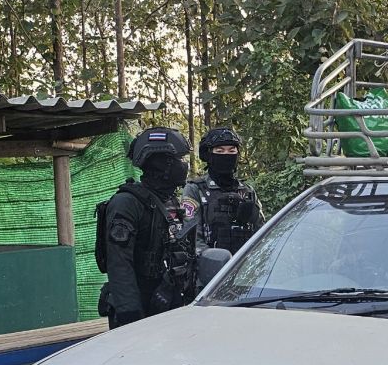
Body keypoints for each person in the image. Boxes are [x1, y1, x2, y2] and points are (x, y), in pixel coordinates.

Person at [96, 127, 191, 328]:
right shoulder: (127, 203)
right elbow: (119, 263)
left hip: (167, 303)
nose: (183, 165)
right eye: (178, 159)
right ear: (160, 163)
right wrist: (130, 314)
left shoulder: (169, 200)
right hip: (138, 307)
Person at [181, 127, 264, 254]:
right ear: (209, 155)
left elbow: (262, 233)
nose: (226, 155)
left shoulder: (247, 191)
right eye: (220, 151)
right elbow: (192, 238)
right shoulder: (195, 189)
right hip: (209, 263)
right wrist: (213, 259)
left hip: (246, 262)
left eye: (232, 151)